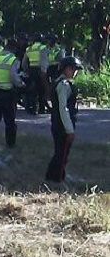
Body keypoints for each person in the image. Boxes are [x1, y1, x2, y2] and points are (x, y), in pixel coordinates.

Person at [46, 56, 82, 185]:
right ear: (64, 69)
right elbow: (63, 108)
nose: (74, 72)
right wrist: (69, 130)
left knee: (60, 152)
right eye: (72, 69)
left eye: (76, 69)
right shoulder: (63, 85)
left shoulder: (60, 82)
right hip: (62, 125)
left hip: (58, 123)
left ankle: (52, 176)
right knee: (62, 154)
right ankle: (57, 178)